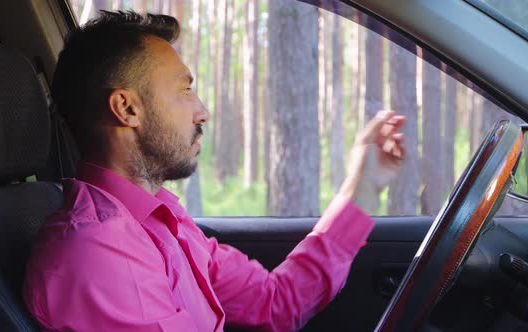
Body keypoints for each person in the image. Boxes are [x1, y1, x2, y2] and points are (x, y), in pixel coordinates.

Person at [23, 11, 406, 332]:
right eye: (184, 91)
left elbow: (277, 302)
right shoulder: (98, 253)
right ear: (127, 109)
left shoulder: (162, 221)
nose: (201, 111)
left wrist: (363, 187)